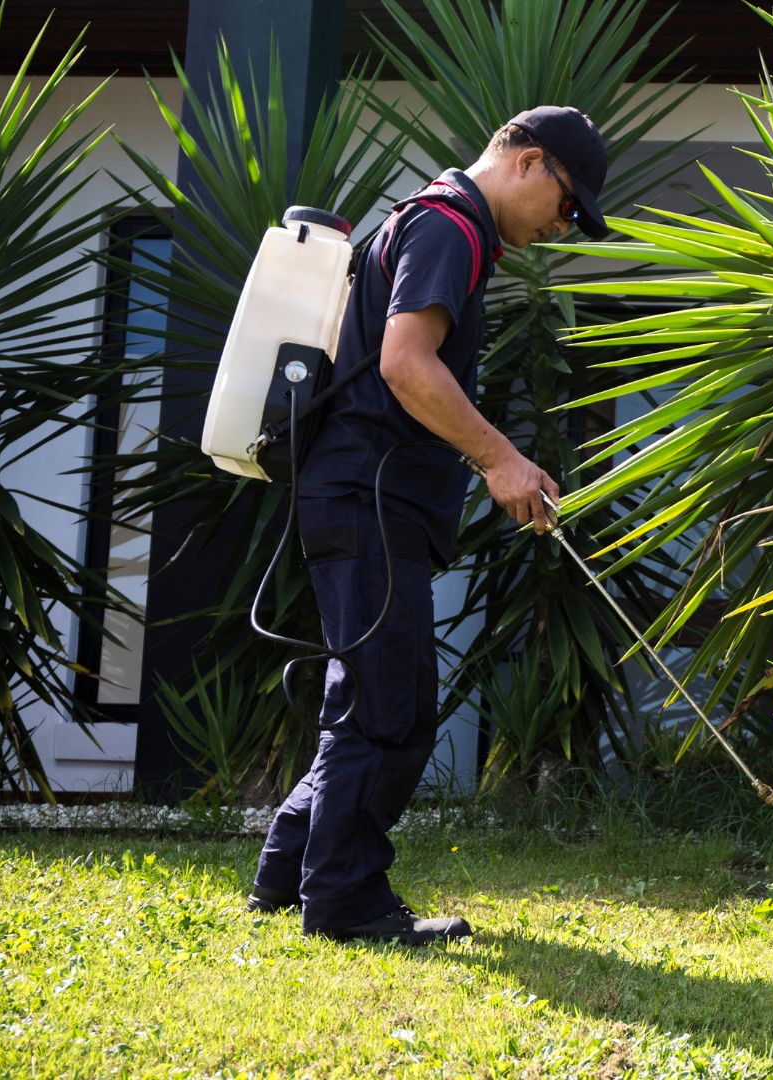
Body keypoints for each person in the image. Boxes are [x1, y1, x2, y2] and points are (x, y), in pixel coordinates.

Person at [246, 106, 612, 944]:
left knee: (367, 697)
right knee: (391, 705)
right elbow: (404, 364)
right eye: (567, 204)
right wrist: (500, 460)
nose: (563, 226)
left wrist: (489, 458)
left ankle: (285, 881)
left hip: (357, 492)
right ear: (528, 163)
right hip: (368, 496)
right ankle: (346, 904)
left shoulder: (433, 220)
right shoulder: (451, 228)